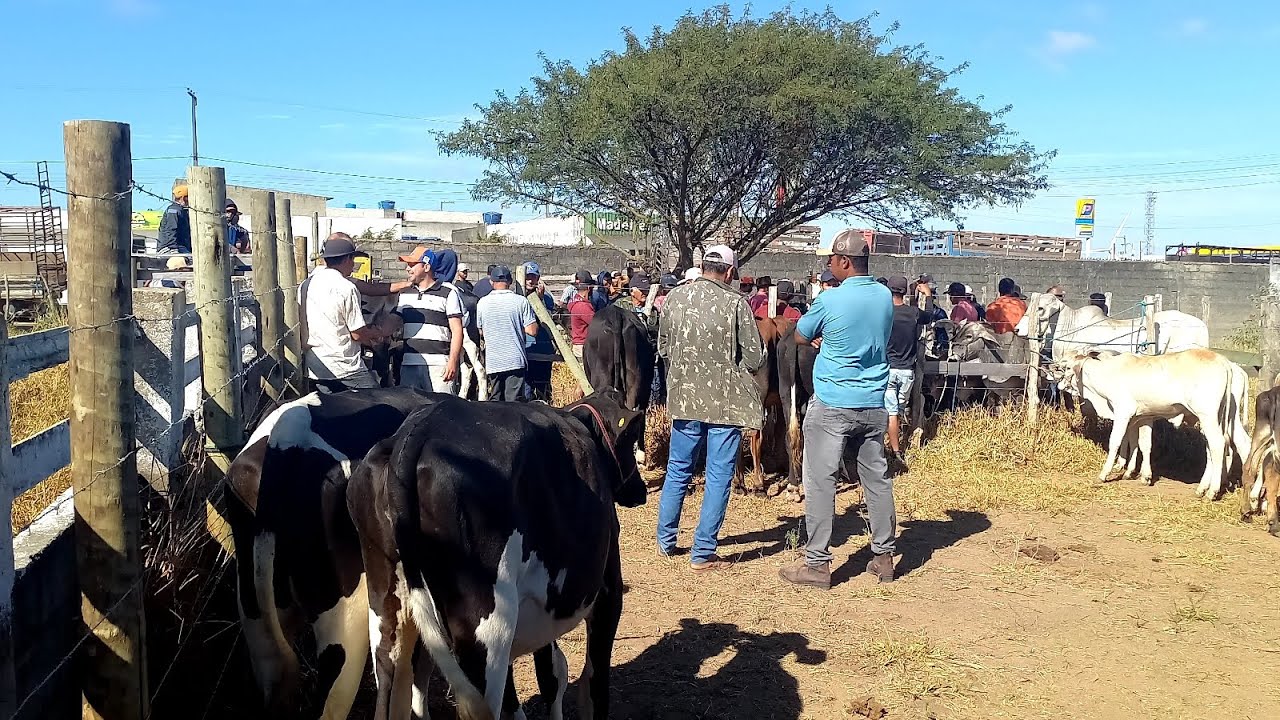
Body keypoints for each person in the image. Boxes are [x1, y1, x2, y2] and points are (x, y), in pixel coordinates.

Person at [780, 229, 895, 590]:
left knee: (820, 481)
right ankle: (884, 557)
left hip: (833, 401)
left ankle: (817, 564)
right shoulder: (884, 296)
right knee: (876, 480)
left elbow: (801, 334)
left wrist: (824, 336)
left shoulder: (830, 299)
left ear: (844, 261)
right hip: (872, 402)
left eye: (831, 259)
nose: (829, 264)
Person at [656, 244, 765, 571]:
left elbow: (663, 347)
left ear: (703, 266)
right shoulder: (736, 304)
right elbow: (754, 358)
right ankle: (703, 552)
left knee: (678, 469)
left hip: (684, 399)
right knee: (718, 475)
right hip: (724, 404)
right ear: (730, 272)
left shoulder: (675, 298)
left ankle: (665, 541)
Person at [299, 235, 387, 392]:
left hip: (316, 366)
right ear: (347, 259)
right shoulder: (346, 287)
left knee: (328, 405)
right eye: (353, 260)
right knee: (377, 400)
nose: (353, 265)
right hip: (345, 367)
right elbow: (357, 334)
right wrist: (374, 336)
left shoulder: (306, 285)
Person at [392, 247, 465, 394]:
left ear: (426, 267)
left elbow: (457, 330)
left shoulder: (448, 293)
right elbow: (394, 323)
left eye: (412, 265)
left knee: (442, 407)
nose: (407, 269)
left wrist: (452, 362)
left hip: (439, 367)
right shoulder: (404, 293)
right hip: (409, 365)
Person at [885, 276, 932, 472]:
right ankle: (898, 445)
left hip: (888, 369)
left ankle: (894, 451)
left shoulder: (884, 313)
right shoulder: (913, 313)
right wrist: (927, 295)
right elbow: (929, 316)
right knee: (899, 410)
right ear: (905, 292)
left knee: (890, 412)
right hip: (907, 371)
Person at [476, 265, 539, 401]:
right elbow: (532, 330)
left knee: (495, 400)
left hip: (493, 361)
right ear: (510, 282)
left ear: (491, 282)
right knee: (514, 402)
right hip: (515, 359)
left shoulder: (482, 303)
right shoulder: (521, 301)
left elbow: (481, 331)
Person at [522, 261, 555, 402]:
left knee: (543, 387)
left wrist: (540, 301)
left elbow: (549, 322)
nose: (530, 281)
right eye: (527, 277)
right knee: (526, 390)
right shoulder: (518, 299)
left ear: (538, 278)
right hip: (525, 348)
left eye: (533, 277)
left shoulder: (547, 298)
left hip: (543, 348)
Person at [567, 271, 596, 360]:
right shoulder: (583, 306)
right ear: (589, 288)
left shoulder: (575, 302)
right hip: (584, 345)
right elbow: (596, 323)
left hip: (580, 344)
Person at [157, 182, 191, 254]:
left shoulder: (182, 210)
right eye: (188, 197)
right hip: (168, 248)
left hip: (179, 247)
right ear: (183, 198)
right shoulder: (174, 210)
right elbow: (171, 229)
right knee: (192, 260)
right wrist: (173, 249)